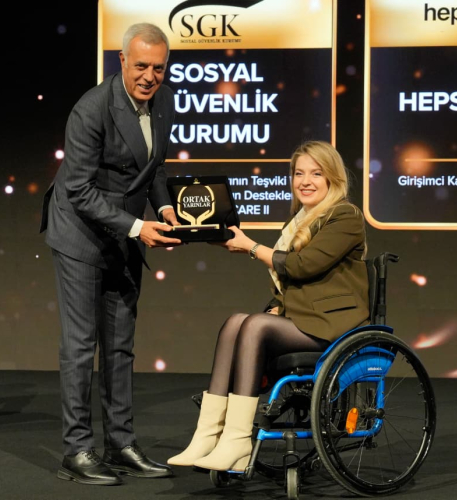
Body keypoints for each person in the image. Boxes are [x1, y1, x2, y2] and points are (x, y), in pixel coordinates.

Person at [167, 141, 369, 472]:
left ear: (332, 178)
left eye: (316, 174)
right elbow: (293, 282)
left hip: (334, 324)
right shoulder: (300, 220)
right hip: (307, 317)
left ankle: (237, 440)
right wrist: (278, 305)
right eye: (299, 173)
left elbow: (302, 266)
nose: (305, 181)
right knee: (235, 322)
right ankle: (208, 434)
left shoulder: (345, 216)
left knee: (255, 325)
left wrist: (250, 247)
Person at [40, 22, 181, 486]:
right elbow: (78, 190)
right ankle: (77, 451)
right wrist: (140, 227)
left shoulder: (164, 101)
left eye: (158, 68)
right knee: (81, 346)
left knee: (120, 344)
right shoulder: (91, 108)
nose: (149, 77)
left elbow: (153, 166)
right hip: (79, 235)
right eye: (140, 66)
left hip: (124, 234)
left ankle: (120, 444)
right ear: (121, 61)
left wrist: (165, 207)